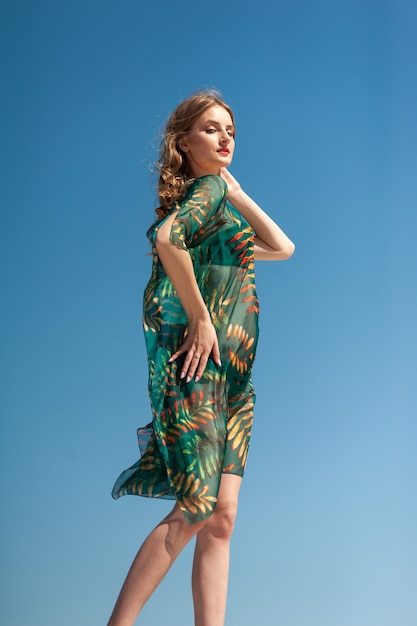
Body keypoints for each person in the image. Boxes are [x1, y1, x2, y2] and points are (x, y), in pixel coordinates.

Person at [108, 90, 295, 626]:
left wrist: (237, 193)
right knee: (196, 506)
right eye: (212, 129)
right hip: (201, 372)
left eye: (230, 131)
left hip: (237, 384)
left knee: (222, 518)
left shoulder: (219, 200)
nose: (225, 137)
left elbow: (282, 247)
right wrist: (200, 317)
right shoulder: (204, 190)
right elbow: (168, 239)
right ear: (183, 142)